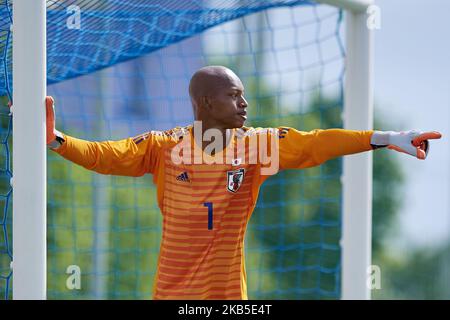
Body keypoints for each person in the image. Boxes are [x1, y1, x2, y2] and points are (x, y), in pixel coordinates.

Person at [45, 66, 441, 299]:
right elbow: (103, 154)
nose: (244, 104)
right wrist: (57, 140)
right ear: (204, 103)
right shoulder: (162, 147)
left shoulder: (256, 146)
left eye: (244, 95)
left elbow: (316, 144)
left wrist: (387, 138)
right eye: (234, 96)